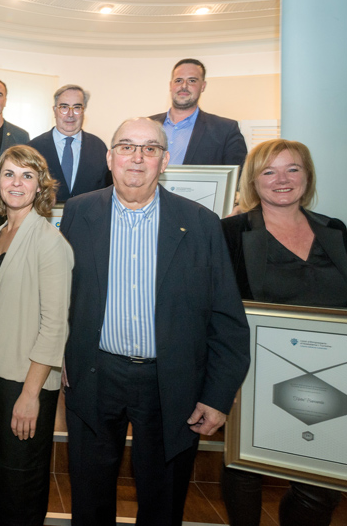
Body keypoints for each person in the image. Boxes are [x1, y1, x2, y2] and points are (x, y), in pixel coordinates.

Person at [60, 117, 250, 526]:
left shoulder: (200, 223)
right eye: (127, 146)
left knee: (163, 503)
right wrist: (59, 356)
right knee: (89, 499)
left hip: (172, 383)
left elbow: (227, 317)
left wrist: (217, 395)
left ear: (164, 161)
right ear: (110, 157)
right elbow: (61, 295)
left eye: (150, 149)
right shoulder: (78, 212)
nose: (137, 157)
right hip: (95, 375)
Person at [220, 139, 346, 526]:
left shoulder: (336, 230)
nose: (282, 179)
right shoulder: (230, 232)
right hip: (252, 371)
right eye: (269, 171)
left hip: (328, 378)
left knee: (320, 479)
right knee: (245, 465)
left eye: (293, 169)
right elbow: (214, 307)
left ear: (307, 177)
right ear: (253, 181)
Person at [0, 145, 73, 525]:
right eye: (9, 173)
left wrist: (30, 394)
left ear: (40, 185)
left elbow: (55, 325)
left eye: (27, 175)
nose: (17, 182)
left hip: (24, 379)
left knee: (20, 486)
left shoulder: (49, 241)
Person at [150, 58, 247, 167]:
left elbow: (238, 178)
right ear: (170, 85)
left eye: (192, 80)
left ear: (203, 86)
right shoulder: (147, 125)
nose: (184, 86)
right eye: (178, 80)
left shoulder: (226, 130)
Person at [28, 84, 110, 202]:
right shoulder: (33, 148)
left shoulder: (99, 148)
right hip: (45, 218)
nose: (70, 114)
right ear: (55, 110)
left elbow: (106, 193)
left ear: (83, 111)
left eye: (77, 107)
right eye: (64, 107)